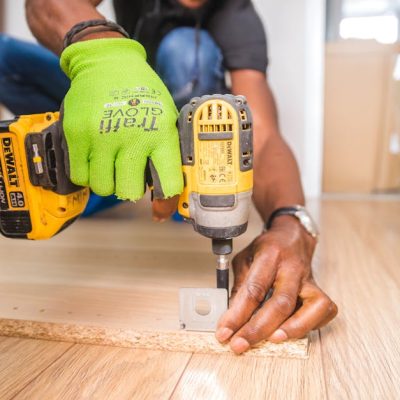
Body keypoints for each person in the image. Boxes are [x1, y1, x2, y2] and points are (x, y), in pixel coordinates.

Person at [0, 0, 338, 354]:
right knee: (5, 56)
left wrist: (290, 220)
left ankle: (167, 187)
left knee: (187, 51)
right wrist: (103, 51)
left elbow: (264, 135)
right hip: (116, 94)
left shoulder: (237, 15)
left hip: (179, 132)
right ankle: (100, 171)